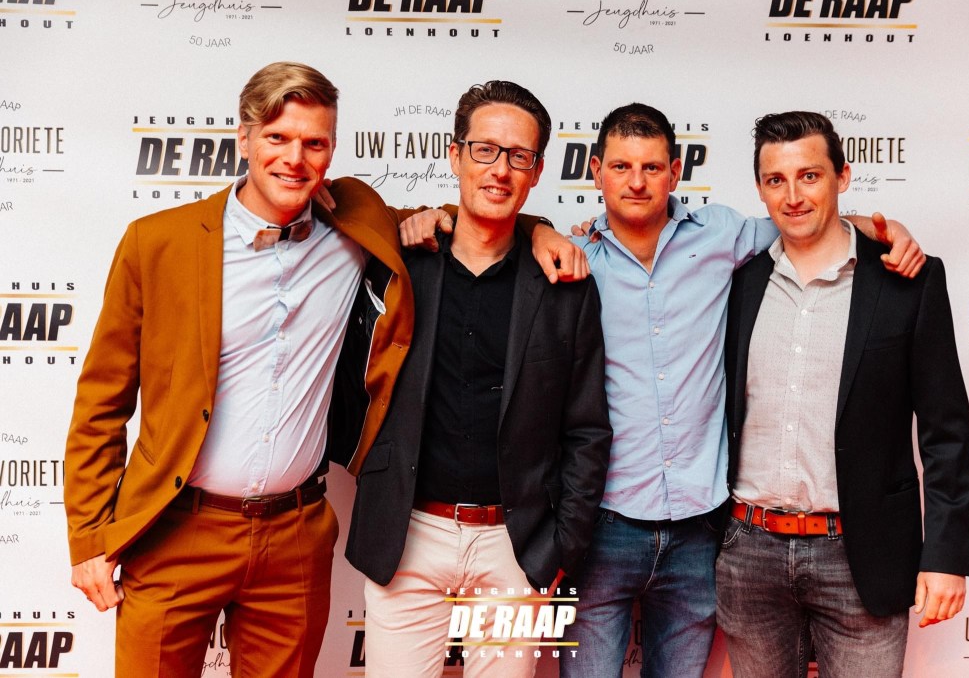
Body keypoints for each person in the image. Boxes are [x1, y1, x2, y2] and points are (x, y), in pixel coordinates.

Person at [63, 62, 581, 677]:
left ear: (331, 152)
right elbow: (102, 401)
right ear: (244, 139)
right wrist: (90, 537)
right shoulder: (157, 242)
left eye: (314, 143)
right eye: (277, 138)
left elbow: (476, 214)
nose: (294, 158)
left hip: (295, 536)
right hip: (176, 529)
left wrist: (537, 229)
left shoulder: (356, 224)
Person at [555, 103, 925, 678]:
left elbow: (805, 220)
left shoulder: (723, 234)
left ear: (676, 173)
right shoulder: (570, 258)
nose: (637, 182)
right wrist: (532, 229)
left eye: (652, 167)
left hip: (700, 533)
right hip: (601, 527)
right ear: (596, 171)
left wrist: (884, 228)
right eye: (621, 166)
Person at [343, 80, 612, 678]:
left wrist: (561, 547)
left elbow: (588, 429)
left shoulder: (564, 284)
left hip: (514, 544)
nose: (499, 170)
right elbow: (340, 201)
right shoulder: (401, 263)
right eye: (485, 150)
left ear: (537, 170)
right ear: (455, 154)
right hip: (407, 534)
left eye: (519, 156)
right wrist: (413, 218)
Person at [717, 110, 969, 677]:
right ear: (760, 188)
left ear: (843, 176)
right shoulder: (738, 281)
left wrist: (947, 557)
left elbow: (947, 433)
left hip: (863, 555)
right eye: (776, 180)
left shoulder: (907, 280)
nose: (793, 196)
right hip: (749, 553)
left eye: (809, 176)